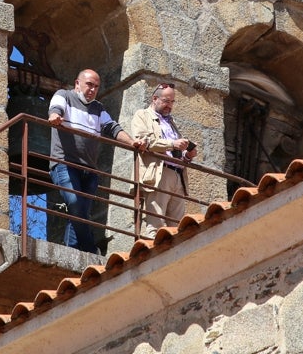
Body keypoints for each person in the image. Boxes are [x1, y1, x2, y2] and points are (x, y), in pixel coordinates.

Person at [48, 69, 142, 253]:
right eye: (89, 84)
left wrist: (132, 142)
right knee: (75, 204)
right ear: (77, 83)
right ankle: (90, 249)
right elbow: (55, 108)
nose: (92, 89)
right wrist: (54, 116)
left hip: (89, 170)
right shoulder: (64, 96)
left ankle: (73, 252)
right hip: (65, 164)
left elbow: (113, 128)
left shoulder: (98, 108)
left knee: (80, 212)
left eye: (96, 86)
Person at [129, 82, 198, 239]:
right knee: (156, 224)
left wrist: (187, 155)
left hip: (178, 175)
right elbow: (143, 140)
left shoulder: (170, 122)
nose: (169, 105)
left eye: (172, 102)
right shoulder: (142, 115)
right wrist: (172, 143)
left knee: (178, 226)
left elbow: (174, 152)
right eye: (166, 101)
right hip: (159, 174)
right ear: (155, 98)